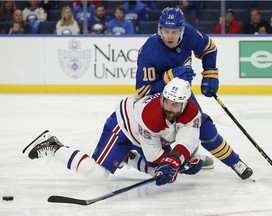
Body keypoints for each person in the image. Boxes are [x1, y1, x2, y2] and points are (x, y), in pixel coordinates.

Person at [135, 7, 253, 180]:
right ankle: (178, 158)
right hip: (159, 102)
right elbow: (143, 91)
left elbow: (209, 48)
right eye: (165, 31)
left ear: (182, 30)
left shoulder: (189, 34)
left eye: (174, 32)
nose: (169, 36)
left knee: (204, 128)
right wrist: (171, 77)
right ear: (159, 30)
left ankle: (234, 161)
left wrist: (210, 73)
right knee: (160, 142)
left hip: (183, 98)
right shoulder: (149, 51)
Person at [23, 78, 204, 186]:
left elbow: (188, 139)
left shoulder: (192, 112)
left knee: (165, 175)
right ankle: (53, 146)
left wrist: (178, 160)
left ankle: (128, 157)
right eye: (166, 102)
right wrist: (176, 162)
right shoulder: (150, 115)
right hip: (123, 129)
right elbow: (152, 154)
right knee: (97, 175)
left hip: (144, 137)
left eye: (175, 104)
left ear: (185, 104)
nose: (169, 108)